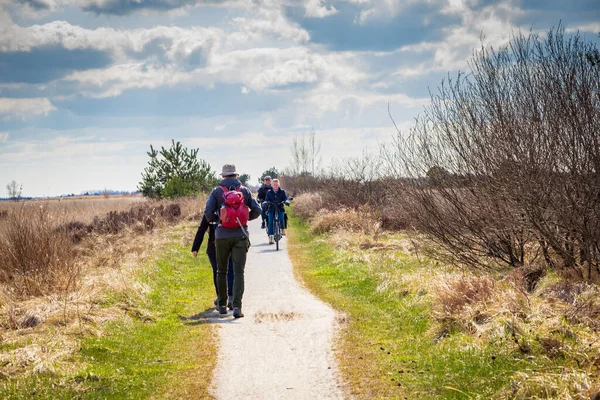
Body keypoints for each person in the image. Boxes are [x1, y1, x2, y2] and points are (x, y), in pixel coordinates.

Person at [204, 164, 261, 318]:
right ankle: (237, 307)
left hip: (221, 235)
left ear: (223, 176)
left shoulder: (216, 192)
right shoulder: (245, 191)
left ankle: (222, 305)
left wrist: (220, 221)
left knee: (221, 271)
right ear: (236, 175)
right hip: (241, 234)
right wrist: (243, 218)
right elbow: (258, 210)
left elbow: (208, 214)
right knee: (238, 272)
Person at [191, 214, 234, 309]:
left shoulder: (211, 209)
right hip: (231, 244)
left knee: (218, 271)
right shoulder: (233, 204)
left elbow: (202, 228)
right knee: (231, 269)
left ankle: (221, 298)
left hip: (214, 244)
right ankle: (231, 297)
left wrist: (195, 247)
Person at [265, 179, 290, 245]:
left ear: (278, 185)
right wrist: (265, 202)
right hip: (271, 208)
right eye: (274, 184)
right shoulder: (269, 192)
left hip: (280, 207)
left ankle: (282, 229)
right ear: (272, 185)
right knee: (270, 221)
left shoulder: (282, 191)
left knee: (281, 218)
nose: (275, 186)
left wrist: (286, 201)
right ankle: (271, 237)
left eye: (276, 184)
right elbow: (267, 199)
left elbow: (285, 198)